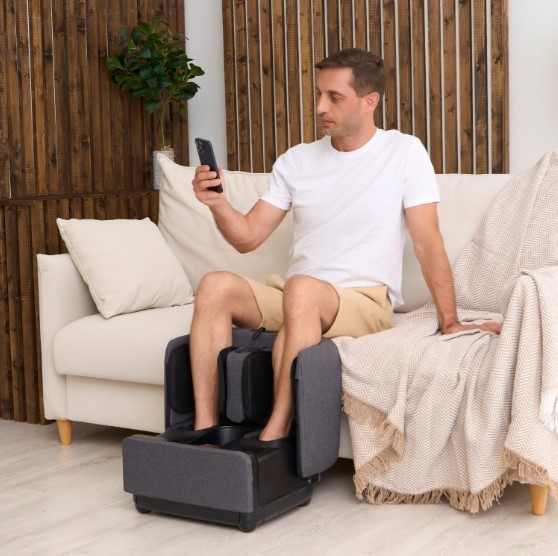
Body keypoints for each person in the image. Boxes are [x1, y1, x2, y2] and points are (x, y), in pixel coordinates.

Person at [190, 48, 501, 442]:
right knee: (215, 285)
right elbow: (247, 237)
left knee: (302, 290)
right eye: (319, 94)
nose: (321, 107)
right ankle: (204, 430)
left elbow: (427, 242)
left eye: (334, 97)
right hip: (297, 298)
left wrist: (450, 321)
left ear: (369, 101)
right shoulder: (296, 161)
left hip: (362, 302)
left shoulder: (404, 152)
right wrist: (218, 204)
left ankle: (276, 434)